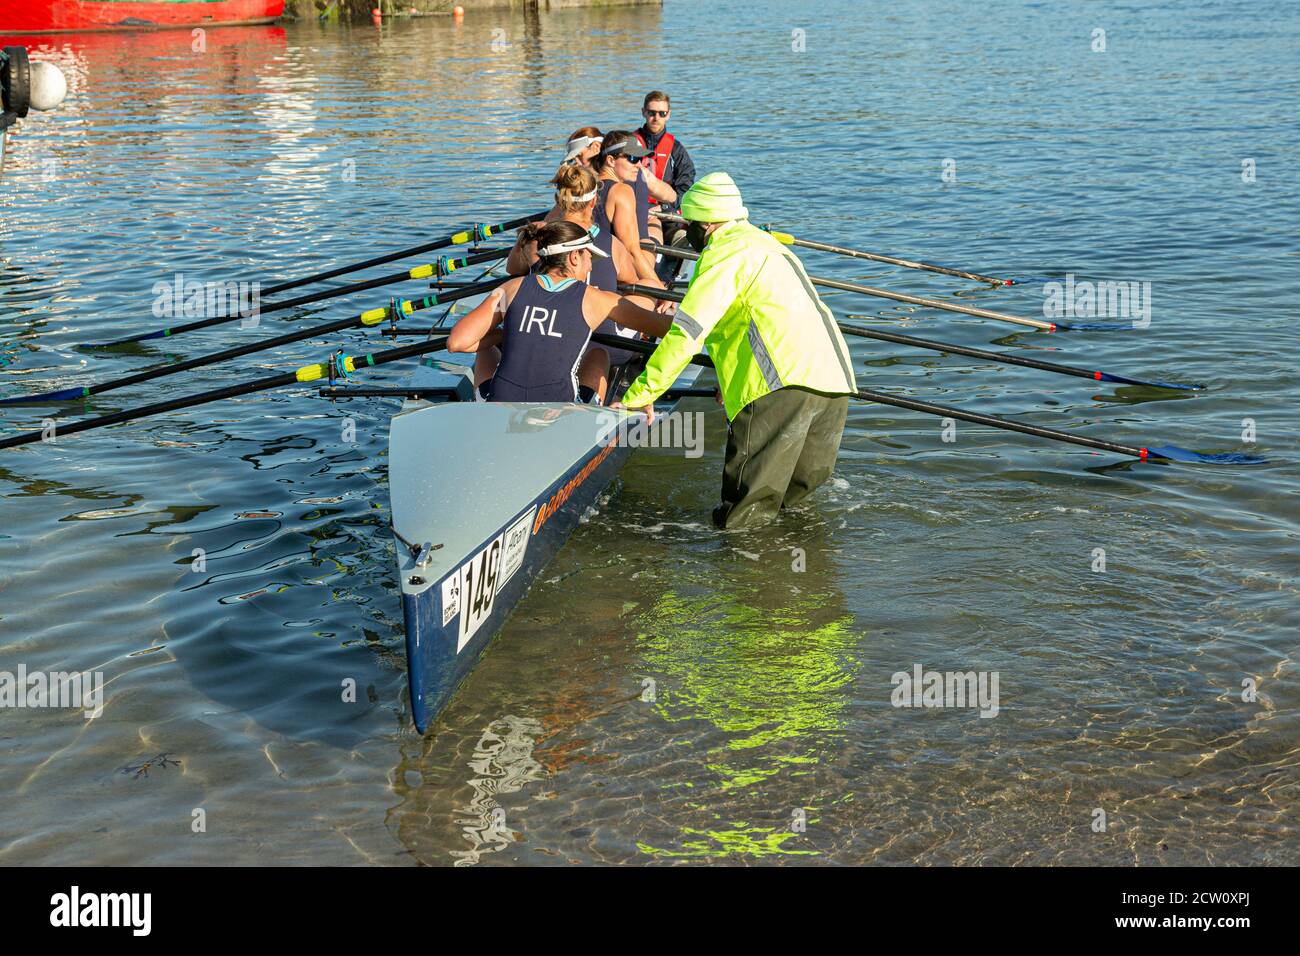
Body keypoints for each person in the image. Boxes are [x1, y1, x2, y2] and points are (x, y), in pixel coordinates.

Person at [614, 173, 858, 529]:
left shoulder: (723, 255)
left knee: (745, 515)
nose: (687, 231)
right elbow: (755, 317)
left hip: (779, 389)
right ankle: (802, 580)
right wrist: (730, 382)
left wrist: (641, 394)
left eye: (688, 223)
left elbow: (688, 333)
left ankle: (739, 582)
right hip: (833, 382)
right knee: (794, 504)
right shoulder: (768, 245)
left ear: (707, 224)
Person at [449, 220, 671, 404]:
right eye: (589, 258)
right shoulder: (597, 299)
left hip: (500, 404)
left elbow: (457, 343)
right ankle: (599, 410)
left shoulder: (511, 287)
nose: (591, 267)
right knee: (599, 355)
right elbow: (666, 328)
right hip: (561, 411)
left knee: (485, 349)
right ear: (574, 257)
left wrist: (506, 334)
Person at [506, 163, 666, 366]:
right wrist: (660, 289)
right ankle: (644, 332)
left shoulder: (535, 234)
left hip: (543, 337)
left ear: (558, 200)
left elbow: (512, 269)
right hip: (605, 348)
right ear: (594, 202)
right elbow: (632, 282)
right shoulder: (612, 244)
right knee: (648, 287)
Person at [593, 131, 659, 282]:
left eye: (641, 159)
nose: (639, 165)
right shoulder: (622, 191)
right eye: (633, 158)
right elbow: (632, 252)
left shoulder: (583, 187)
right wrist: (659, 289)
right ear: (610, 160)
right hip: (611, 280)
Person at [634, 91, 696, 242]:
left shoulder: (677, 150)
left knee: (680, 238)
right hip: (632, 212)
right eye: (652, 113)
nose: (656, 118)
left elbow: (686, 192)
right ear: (643, 112)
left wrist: (664, 209)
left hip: (666, 215)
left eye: (662, 113)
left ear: (668, 115)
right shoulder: (629, 144)